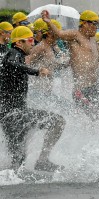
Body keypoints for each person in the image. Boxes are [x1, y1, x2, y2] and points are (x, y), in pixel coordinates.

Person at [0, 26, 65, 172]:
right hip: (13, 115)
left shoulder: (17, 55)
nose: (32, 43)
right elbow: (12, 64)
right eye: (29, 40)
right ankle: (42, 161)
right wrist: (37, 71)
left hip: (11, 115)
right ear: (19, 43)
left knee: (18, 161)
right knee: (58, 121)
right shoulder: (13, 53)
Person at [41, 10, 99, 121]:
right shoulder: (76, 35)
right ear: (85, 23)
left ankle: (96, 132)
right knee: (96, 117)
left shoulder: (93, 40)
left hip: (93, 88)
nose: (96, 27)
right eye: (95, 24)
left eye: (97, 24)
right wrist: (48, 21)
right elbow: (59, 34)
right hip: (81, 91)